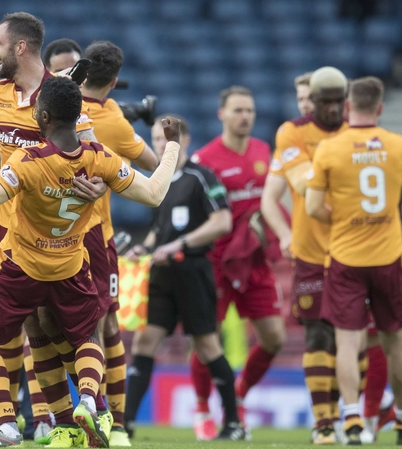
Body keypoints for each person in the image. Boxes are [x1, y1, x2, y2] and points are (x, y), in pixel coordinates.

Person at [0, 76, 182, 447]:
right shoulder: (99, 157)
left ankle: (7, 423)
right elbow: (153, 193)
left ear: (44, 116)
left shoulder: (29, 161)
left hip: (22, 267)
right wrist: (172, 145)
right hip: (70, 268)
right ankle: (89, 401)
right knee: (83, 337)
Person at [0, 13, 106, 446]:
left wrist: (97, 185)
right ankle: (67, 421)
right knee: (37, 329)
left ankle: (93, 410)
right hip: (9, 227)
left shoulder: (60, 96)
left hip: (56, 233)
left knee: (59, 330)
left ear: (19, 47)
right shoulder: (2, 91)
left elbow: (93, 154)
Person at [122, 115, 245, 440]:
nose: (160, 145)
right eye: (155, 140)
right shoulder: (158, 182)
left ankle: (233, 423)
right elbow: (158, 231)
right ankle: (126, 424)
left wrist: (181, 244)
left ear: (184, 141)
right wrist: (144, 249)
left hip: (192, 271)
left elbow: (223, 222)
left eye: (165, 139)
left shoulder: (200, 176)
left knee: (206, 345)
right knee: (145, 341)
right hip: (162, 274)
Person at [306, 76, 402, 445]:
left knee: (347, 342)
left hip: (345, 258)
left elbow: (313, 207)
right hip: (389, 256)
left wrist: (346, 219)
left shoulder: (330, 148)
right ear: (380, 108)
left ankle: (352, 420)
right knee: (394, 340)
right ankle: (400, 418)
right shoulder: (396, 146)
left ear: (348, 107)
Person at [260, 66, 349, 444]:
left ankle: (352, 414)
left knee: (353, 341)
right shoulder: (291, 137)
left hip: (351, 251)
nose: (305, 105)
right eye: (301, 99)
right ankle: (324, 423)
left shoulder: (350, 134)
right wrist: (285, 234)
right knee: (318, 335)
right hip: (311, 251)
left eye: (310, 98)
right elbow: (274, 197)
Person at [190, 86, 285, 440]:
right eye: (238, 110)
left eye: (250, 110)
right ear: (222, 114)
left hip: (254, 260)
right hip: (216, 261)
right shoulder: (205, 159)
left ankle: (240, 393)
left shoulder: (263, 151)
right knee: (207, 338)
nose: (245, 116)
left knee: (274, 337)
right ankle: (202, 408)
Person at [79, 40, 159, 447]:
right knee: (106, 326)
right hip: (97, 235)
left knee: (42, 330)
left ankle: (45, 418)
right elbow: (153, 165)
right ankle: (115, 422)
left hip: (47, 235)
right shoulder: (114, 120)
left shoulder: (56, 106)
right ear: (114, 81)